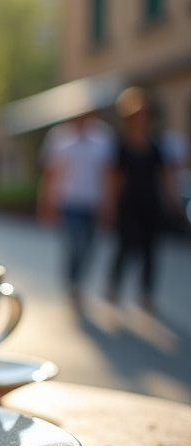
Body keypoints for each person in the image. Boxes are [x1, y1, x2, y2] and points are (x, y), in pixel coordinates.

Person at [102, 87, 182, 312]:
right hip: (128, 204)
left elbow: (165, 176)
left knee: (150, 250)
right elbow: (115, 178)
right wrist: (109, 205)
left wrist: (171, 199)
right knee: (125, 247)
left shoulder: (155, 145)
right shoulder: (122, 145)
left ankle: (146, 294)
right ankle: (114, 287)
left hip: (150, 204)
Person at [37, 110, 115, 304]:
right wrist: (46, 202)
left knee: (89, 247)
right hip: (69, 201)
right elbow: (50, 173)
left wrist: (108, 204)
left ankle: (78, 280)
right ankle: (72, 282)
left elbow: (108, 174)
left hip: (92, 203)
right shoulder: (59, 137)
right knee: (75, 243)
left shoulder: (103, 137)